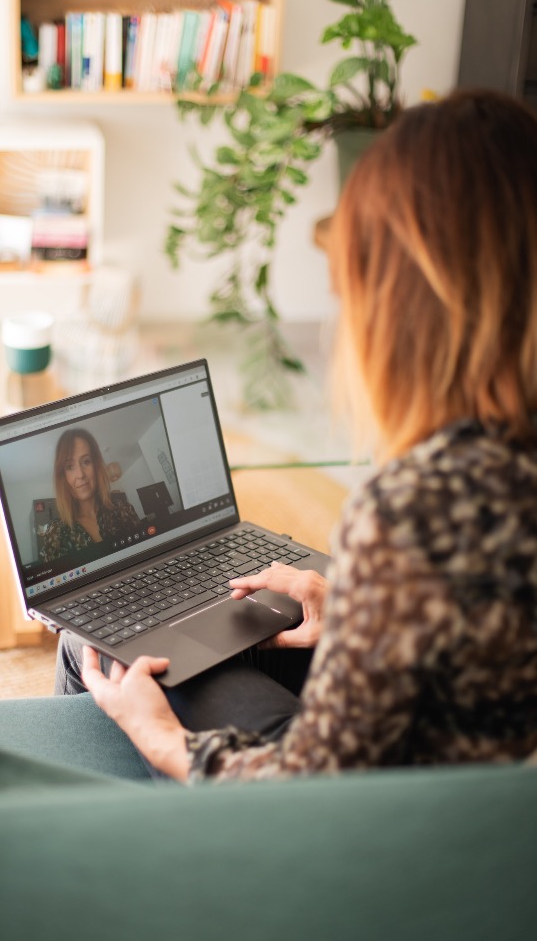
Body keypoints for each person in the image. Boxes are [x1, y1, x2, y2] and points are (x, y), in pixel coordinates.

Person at [57, 88, 537, 782]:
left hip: (403, 827)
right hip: (468, 784)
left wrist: (161, 739)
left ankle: (99, 824)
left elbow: (314, 794)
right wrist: (356, 609)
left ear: (403, 308)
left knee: (99, 647)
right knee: (158, 636)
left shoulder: (416, 510)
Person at [41, 428, 142, 563]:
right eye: (70, 467)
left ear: (96, 466)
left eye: (86, 462)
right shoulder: (56, 533)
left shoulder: (123, 509)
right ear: (63, 476)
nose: (80, 474)